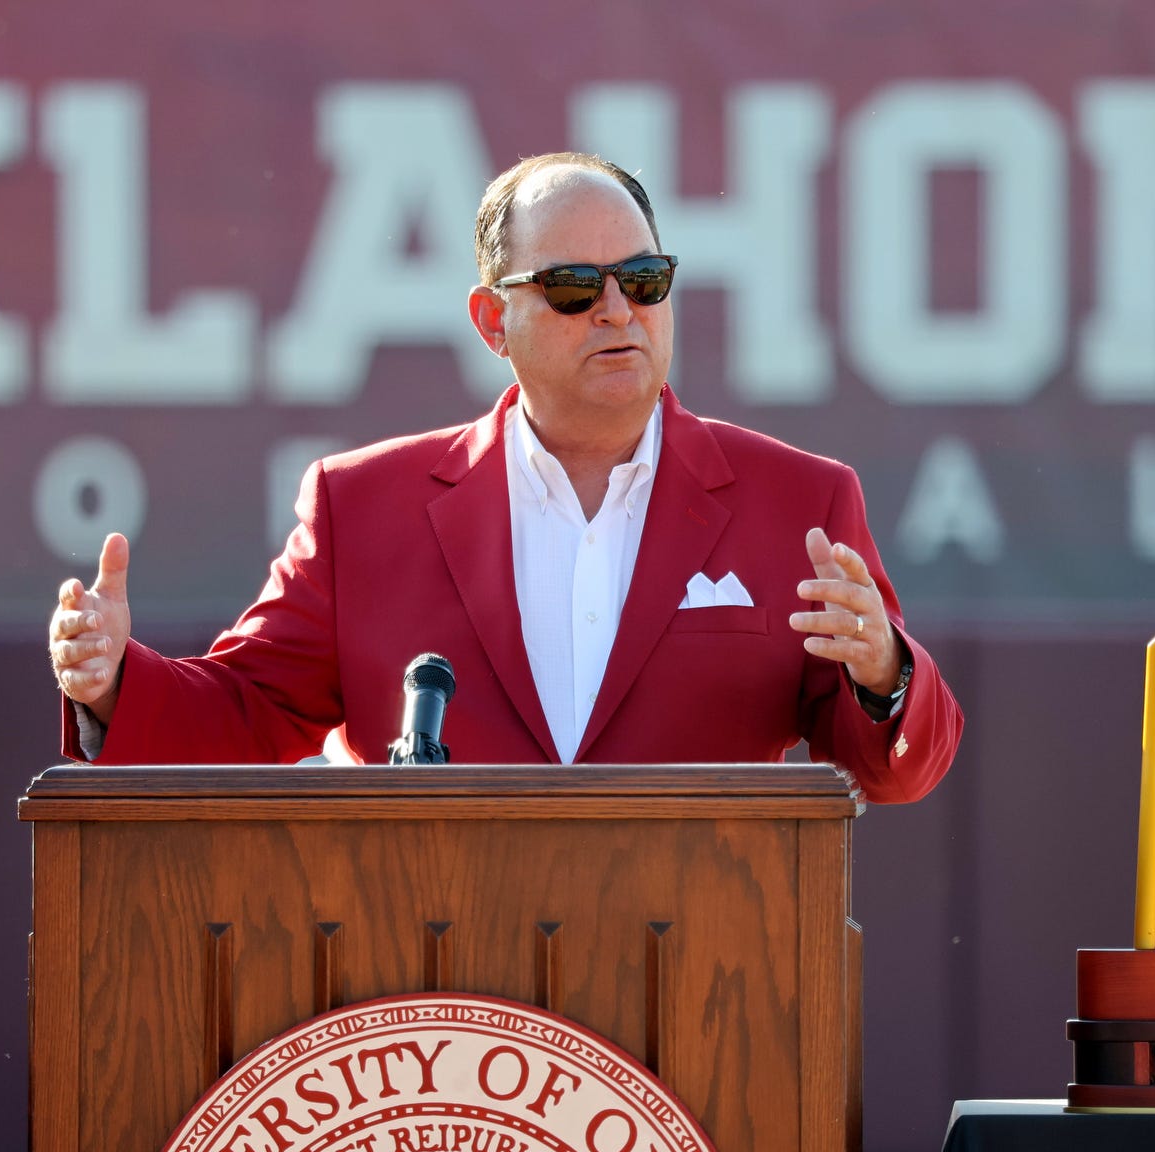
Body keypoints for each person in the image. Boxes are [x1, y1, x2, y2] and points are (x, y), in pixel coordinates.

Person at [49, 152, 962, 801]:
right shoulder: (362, 506)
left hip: (702, 1002)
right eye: (573, 286)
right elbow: (250, 715)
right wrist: (111, 685)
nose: (618, 310)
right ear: (493, 321)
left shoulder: (798, 500)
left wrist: (884, 671)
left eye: (644, 280)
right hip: (448, 1009)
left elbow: (897, 767)